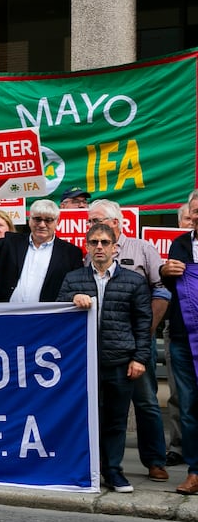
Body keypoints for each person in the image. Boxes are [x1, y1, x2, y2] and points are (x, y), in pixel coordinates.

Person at [58, 222, 151, 493]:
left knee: (115, 419)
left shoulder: (133, 280)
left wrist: (140, 358)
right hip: (82, 363)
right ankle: (88, 470)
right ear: (87, 247)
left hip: (119, 361)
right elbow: (57, 307)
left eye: (104, 242)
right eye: (94, 242)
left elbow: (143, 323)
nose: (99, 247)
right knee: (85, 417)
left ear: (115, 247)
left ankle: (113, 471)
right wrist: (72, 298)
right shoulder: (73, 279)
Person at [88, 198, 170, 482]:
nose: (92, 226)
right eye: (89, 222)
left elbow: (161, 292)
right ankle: (107, 465)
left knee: (146, 403)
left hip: (138, 342)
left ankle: (155, 461)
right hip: (106, 347)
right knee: (106, 407)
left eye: (97, 220)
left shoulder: (142, 248)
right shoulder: (91, 253)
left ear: (116, 222)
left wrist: (147, 335)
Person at [158, 190, 198, 495]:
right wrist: (165, 271)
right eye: (194, 211)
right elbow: (170, 286)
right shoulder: (180, 244)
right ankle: (195, 471)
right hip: (184, 339)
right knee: (188, 407)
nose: (197, 215)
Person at [0, 196, 83, 303]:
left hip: (45, 317)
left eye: (48, 220)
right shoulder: (10, 241)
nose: (42, 224)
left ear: (57, 222)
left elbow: (75, 286)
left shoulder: (71, 253)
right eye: (37, 219)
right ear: (29, 219)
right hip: (3, 314)